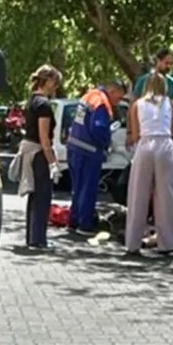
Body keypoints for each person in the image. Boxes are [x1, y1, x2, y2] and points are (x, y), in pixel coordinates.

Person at [123, 72, 173, 255]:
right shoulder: (171, 104)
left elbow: (135, 134)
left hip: (145, 144)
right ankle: (172, 242)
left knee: (138, 194)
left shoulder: (137, 105)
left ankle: (132, 242)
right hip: (164, 143)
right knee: (168, 195)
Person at [67, 80, 126, 236]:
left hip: (74, 147)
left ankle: (73, 221)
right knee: (88, 189)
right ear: (112, 91)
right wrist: (106, 141)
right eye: (119, 97)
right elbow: (99, 127)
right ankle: (85, 224)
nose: (118, 101)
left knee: (77, 188)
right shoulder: (101, 103)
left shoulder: (88, 96)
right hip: (89, 151)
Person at [13, 65, 62, 249]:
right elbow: (44, 137)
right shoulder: (44, 105)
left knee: (34, 196)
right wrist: (52, 163)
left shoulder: (31, 101)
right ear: (48, 81)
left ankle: (32, 236)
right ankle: (38, 238)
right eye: (55, 83)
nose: (56, 87)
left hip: (29, 150)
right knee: (42, 195)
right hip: (38, 153)